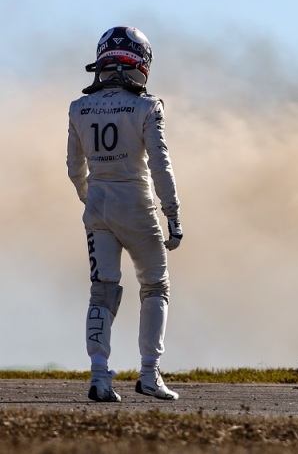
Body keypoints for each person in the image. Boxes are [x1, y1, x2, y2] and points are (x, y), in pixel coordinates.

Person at [66, 26, 183, 402]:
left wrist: (90, 200)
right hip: (137, 204)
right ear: (140, 62)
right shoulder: (148, 106)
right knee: (155, 287)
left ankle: (99, 377)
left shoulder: (78, 108)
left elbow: (73, 168)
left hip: (98, 204)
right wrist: (173, 213)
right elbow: (161, 167)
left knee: (101, 291)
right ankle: (150, 373)